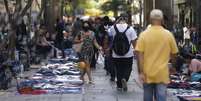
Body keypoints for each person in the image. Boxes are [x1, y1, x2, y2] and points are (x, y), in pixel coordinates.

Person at [135, 9, 178, 101]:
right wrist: (173, 66)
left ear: (150, 20)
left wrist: (140, 71)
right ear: (162, 20)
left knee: (147, 95)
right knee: (161, 96)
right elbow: (174, 53)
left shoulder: (143, 35)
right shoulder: (168, 35)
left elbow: (139, 55)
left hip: (147, 72)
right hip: (162, 72)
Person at [108, 14, 137, 91]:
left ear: (118, 20)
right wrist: (136, 51)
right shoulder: (130, 29)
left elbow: (109, 34)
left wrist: (115, 23)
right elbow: (134, 41)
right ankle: (125, 78)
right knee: (128, 68)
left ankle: (119, 85)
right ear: (126, 20)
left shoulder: (113, 28)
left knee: (118, 69)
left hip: (116, 54)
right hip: (128, 54)